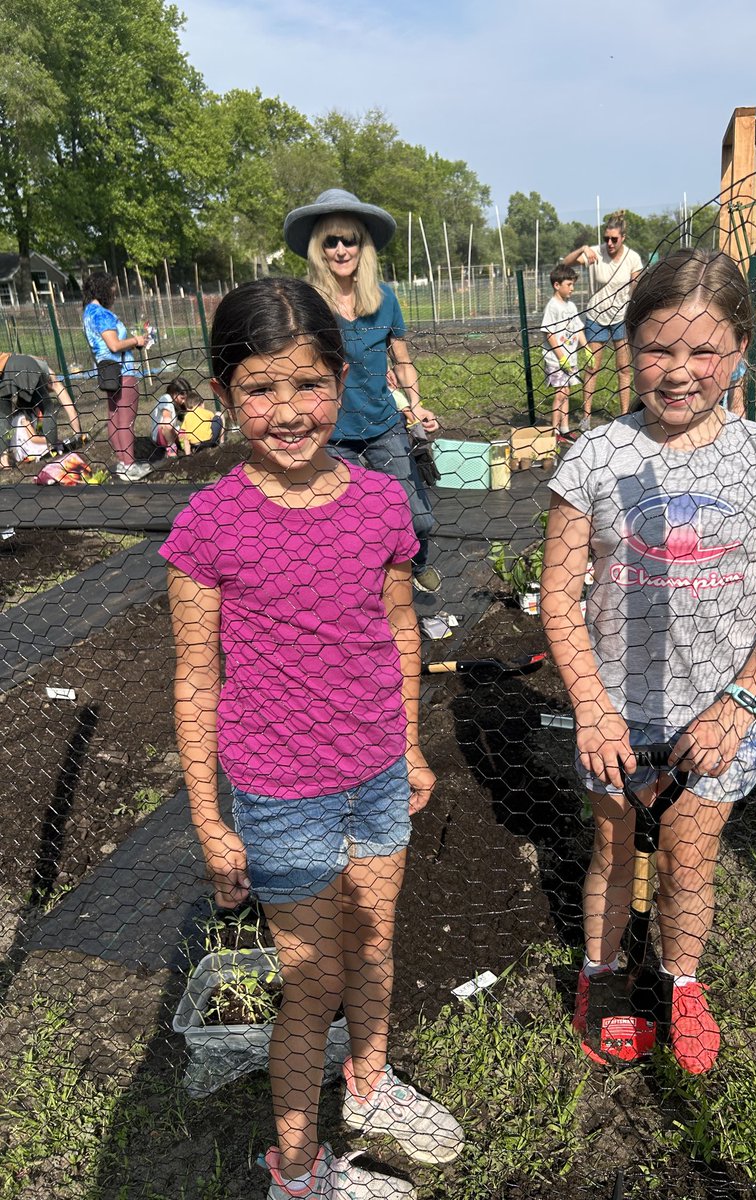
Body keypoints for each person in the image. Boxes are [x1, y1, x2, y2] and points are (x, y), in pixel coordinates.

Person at [161, 277, 463, 1200]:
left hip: (375, 773)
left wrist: (409, 745)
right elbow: (196, 678)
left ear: (342, 379)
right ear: (223, 397)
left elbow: (400, 633)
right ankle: (294, 1171)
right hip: (282, 792)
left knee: (375, 945)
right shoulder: (208, 527)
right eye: (260, 388)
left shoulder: (378, 505)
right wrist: (213, 823)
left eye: (307, 385)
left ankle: (367, 1089)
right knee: (313, 979)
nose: (287, 412)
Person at [540, 249, 756, 1075]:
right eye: (658, 348)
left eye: (704, 352)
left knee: (690, 862)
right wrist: (591, 705)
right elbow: (558, 597)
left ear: (739, 352)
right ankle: (601, 972)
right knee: (613, 852)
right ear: (628, 345)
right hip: (616, 713)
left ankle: (682, 978)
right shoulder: (595, 458)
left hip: (719, 712)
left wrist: (740, 703)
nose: (679, 372)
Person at [284, 189, 441, 594]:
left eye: (348, 239)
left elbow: (402, 360)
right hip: (333, 434)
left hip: (384, 424)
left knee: (417, 517)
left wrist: (417, 405)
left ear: (362, 245)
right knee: (349, 526)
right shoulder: (307, 303)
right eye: (330, 241)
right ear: (319, 249)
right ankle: (370, 596)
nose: (340, 249)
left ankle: (415, 564)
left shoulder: (385, 298)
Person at [562, 214, 643, 419]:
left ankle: (625, 415)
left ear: (623, 237)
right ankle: (586, 417)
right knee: (592, 367)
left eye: (614, 239)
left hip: (621, 318)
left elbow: (637, 285)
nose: (609, 243)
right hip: (595, 317)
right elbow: (565, 264)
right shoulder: (595, 253)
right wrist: (583, 248)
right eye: (607, 238)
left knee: (624, 368)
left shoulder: (632, 258)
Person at [81, 271, 152, 481]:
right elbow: (114, 345)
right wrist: (136, 340)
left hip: (107, 371)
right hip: (123, 371)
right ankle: (130, 466)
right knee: (125, 419)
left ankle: (122, 463)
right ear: (103, 289)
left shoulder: (88, 313)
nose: (114, 295)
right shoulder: (101, 314)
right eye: (112, 290)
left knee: (114, 417)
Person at [0, 353, 83, 468]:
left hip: (3, 373)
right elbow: (67, 403)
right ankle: (52, 449)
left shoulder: (18, 418)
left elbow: (10, 433)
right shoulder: (49, 376)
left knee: (3, 415)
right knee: (48, 408)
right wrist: (77, 432)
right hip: (28, 447)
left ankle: (3, 460)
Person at [541, 264, 587, 440]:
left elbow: (578, 329)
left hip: (570, 358)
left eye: (573, 284)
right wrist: (561, 358)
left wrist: (587, 349)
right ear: (557, 285)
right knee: (560, 394)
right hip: (556, 359)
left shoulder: (571, 306)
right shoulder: (553, 306)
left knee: (566, 393)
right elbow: (549, 333)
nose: (572, 288)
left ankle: (565, 428)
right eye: (569, 284)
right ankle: (555, 431)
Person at [150, 376, 190, 456]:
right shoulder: (166, 398)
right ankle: (171, 448)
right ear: (174, 393)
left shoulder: (175, 402)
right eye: (182, 398)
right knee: (168, 423)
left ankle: (187, 452)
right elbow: (166, 417)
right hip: (161, 435)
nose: (184, 401)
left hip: (170, 433)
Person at [176, 389, 223, 456]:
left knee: (185, 434)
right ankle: (222, 442)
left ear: (187, 408)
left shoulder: (187, 416)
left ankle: (188, 454)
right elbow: (214, 421)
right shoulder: (207, 412)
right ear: (202, 404)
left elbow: (183, 431)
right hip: (209, 441)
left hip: (196, 445)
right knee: (219, 415)